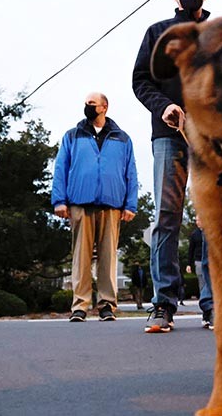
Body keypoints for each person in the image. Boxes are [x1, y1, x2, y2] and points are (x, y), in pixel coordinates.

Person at [132, 0, 210, 333]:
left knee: (213, 220)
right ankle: (163, 304)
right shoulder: (157, 33)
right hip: (168, 135)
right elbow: (140, 80)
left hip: (212, 139)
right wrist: (164, 106)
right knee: (167, 217)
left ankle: (215, 304)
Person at [52, 92, 138, 322]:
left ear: (104, 107)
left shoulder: (123, 138)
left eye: (91, 103)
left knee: (108, 256)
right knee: (80, 256)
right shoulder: (72, 135)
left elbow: (131, 172)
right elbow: (61, 168)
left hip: (112, 204)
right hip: (80, 202)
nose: (87, 107)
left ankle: (107, 305)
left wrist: (130, 204)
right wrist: (59, 200)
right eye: (85, 104)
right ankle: (80, 305)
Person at [187, 215, 214, 329]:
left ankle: (211, 311)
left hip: (210, 261)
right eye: (197, 220)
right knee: (203, 285)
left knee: (212, 284)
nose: (198, 222)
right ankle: (206, 313)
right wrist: (189, 264)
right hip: (198, 262)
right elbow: (190, 250)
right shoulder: (195, 234)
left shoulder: (212, 231)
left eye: (200, 219)